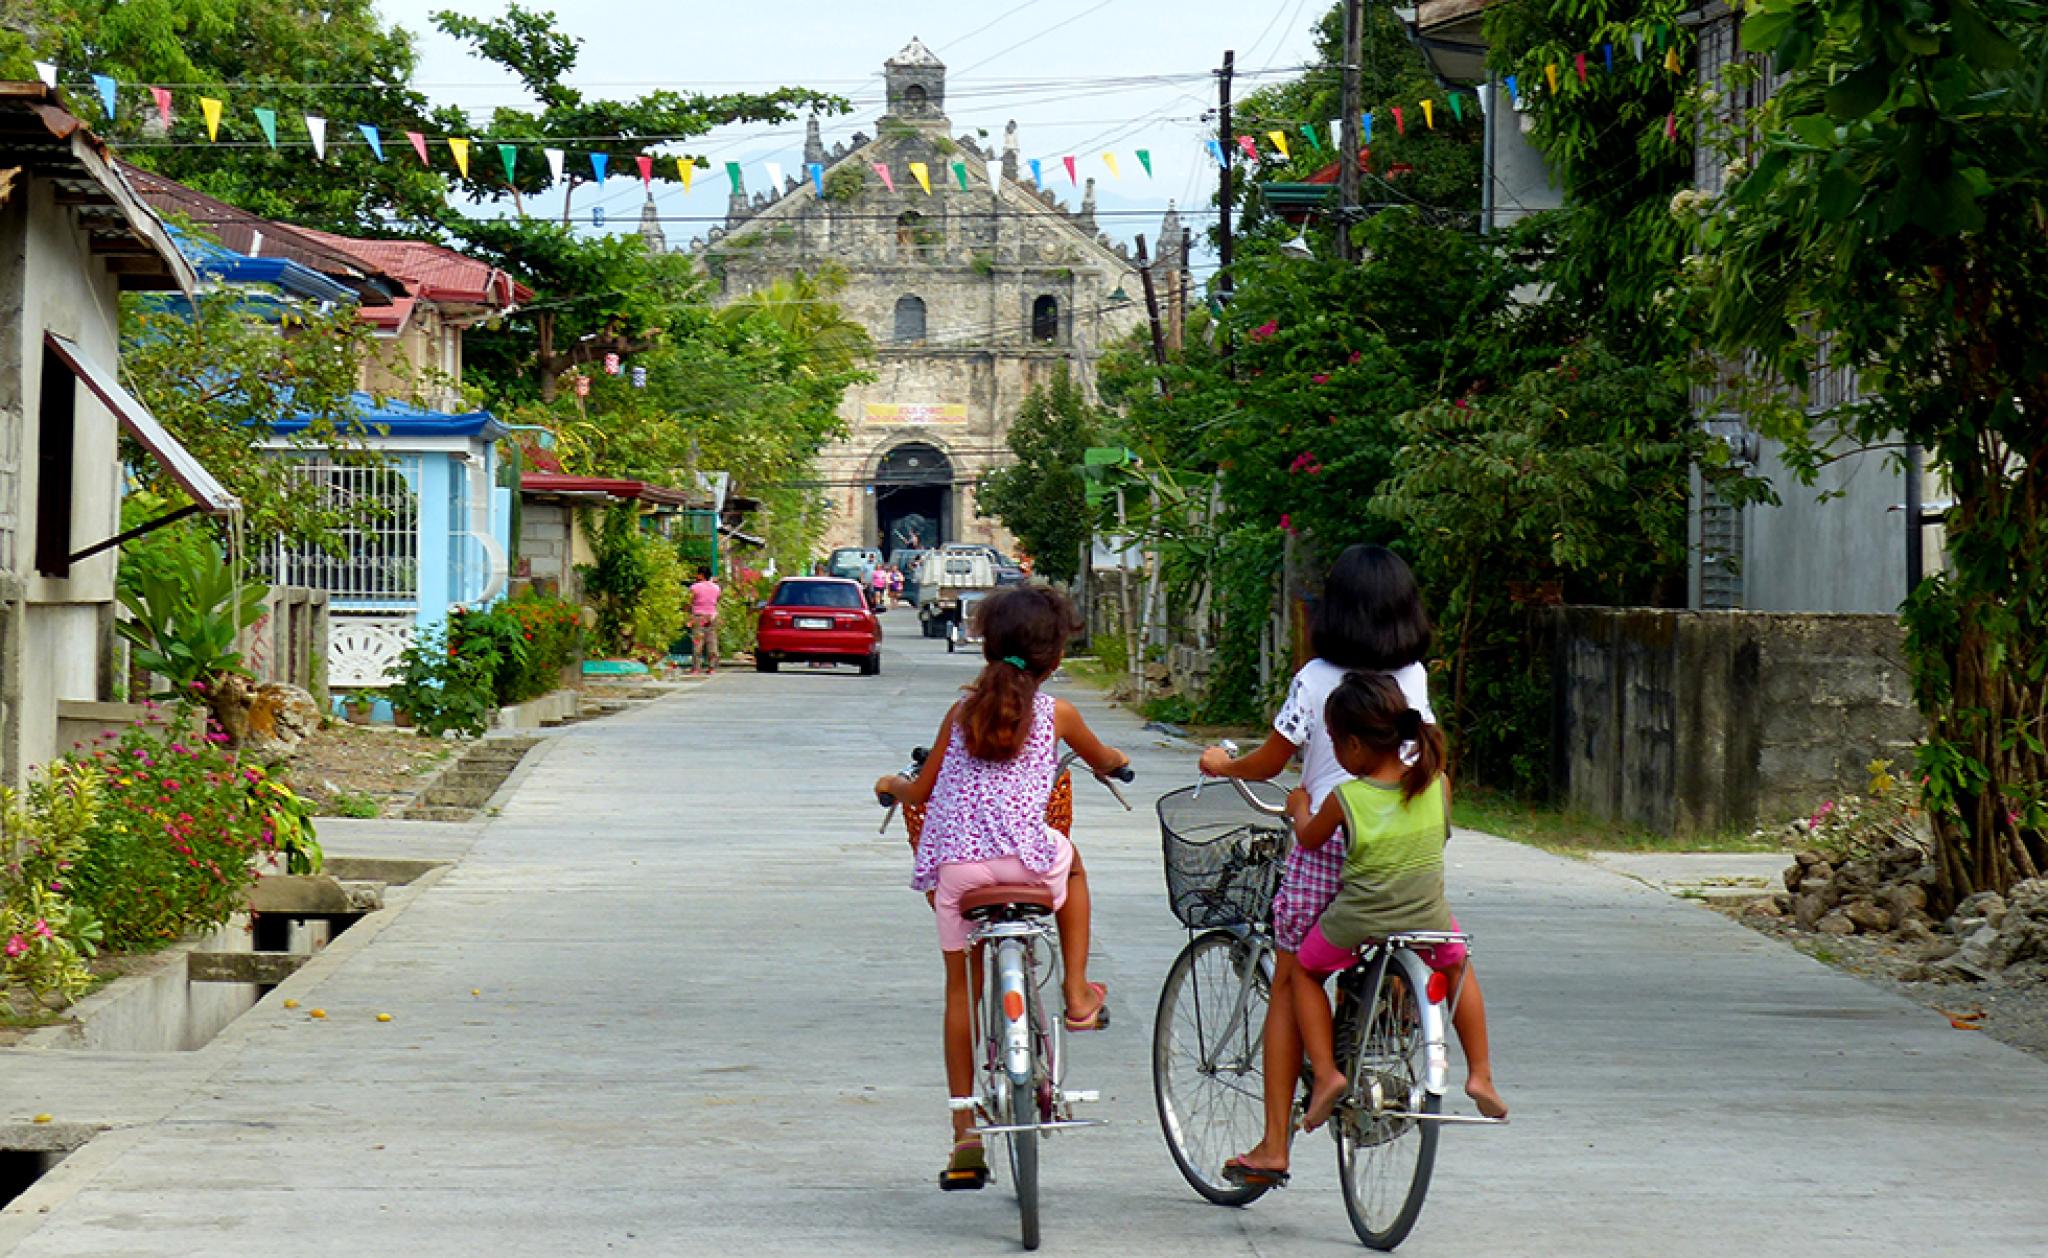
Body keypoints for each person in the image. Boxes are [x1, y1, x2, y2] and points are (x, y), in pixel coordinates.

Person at [1197, 544, 1460, 1186]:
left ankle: (1273, 1145)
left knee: (1291, 980)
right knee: (1396, 929)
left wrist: (1223, 765)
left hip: (1328, 841)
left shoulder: (1316, 678)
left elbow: (1270, 761)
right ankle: (1389, 997)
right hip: (1401, 847)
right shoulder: (1414, 678)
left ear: (1333, 611)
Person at [874, 585, 1128, 1191]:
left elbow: (923, 788)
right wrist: (1116, 763)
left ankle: (964, 1133)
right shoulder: (1058, 714)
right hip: (1030, 862)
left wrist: (891, 784)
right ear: (1055, 656)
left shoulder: (961, 713)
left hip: (959, 873)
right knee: (1075, 866)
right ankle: (1074, 991)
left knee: (959, 991)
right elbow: (1104, 757)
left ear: (986, 646)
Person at [1284, 670, 1504, 1133]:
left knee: (1304, 971)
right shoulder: (1436, 784)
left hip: (1360, 919)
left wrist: (1298, 804)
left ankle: (1326, 1074)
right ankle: (1481, 1074)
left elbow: (1307, 838)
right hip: (1428, 915)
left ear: (1355, 747)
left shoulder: (1346, 798)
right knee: (1458, 966)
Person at [687, 566, 721, 676]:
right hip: (712, 616)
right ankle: (712, 668)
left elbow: (689, 602)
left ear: (701, 575)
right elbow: (717, 600)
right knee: (712, 641)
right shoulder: (716, 588)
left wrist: (688, 617)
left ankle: (696, 669)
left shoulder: (694, 587)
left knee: (697, 643)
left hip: (698, 616)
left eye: (697, 574)